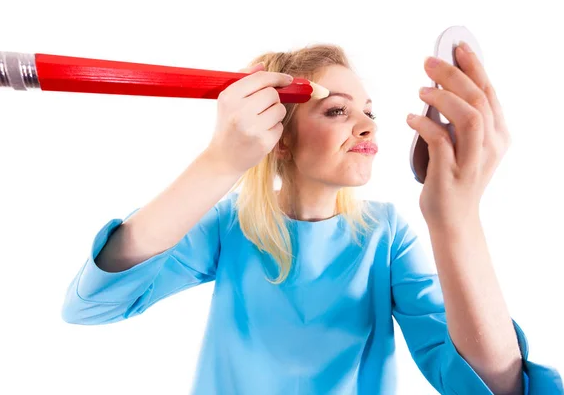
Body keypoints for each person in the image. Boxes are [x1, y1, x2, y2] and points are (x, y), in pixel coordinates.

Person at [61, 43, 562, 394]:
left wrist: (458, 221)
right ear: (280, 136)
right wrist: (221, 162)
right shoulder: (231, 226)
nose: (368, 123)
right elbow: (94, 304)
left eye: (368, 110)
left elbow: (492, 386)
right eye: (337, 111)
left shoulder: (386, 236)